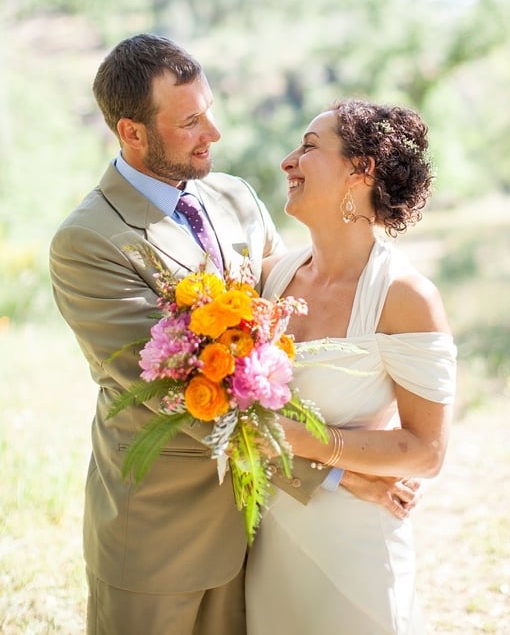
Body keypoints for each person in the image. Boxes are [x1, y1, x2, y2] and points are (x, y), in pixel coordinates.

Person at [49, 34, 421, 635]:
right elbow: (169, 394)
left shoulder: (237, 198)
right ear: (132, 133)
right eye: (191, 121)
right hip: (160, 539)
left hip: (264, 531)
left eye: (210, 109)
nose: (213, 133)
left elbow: (289, 324)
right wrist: (335, 470)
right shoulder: (88, 241)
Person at [245, 99, 457, 635]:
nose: (287, 161)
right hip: (268, 539)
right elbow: (235, 420)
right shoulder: (268, 280)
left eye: (310, 147)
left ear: (361, 171)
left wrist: (301, 439)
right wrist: (342, 473)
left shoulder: (406, 296)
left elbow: (426, 453)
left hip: (357, 554)